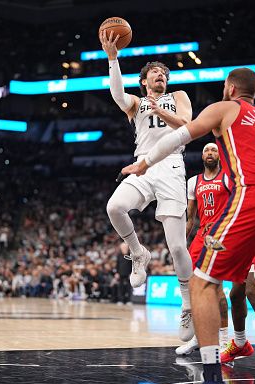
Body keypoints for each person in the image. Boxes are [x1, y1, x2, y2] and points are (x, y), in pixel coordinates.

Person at [122, 67, 255, 384]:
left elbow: (181, 136)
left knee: (202, 282)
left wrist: (145, 162)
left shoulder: (224, 108)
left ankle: (211, 379)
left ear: (231, 87)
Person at [100, 30, 195, 341]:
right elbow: (116, 95)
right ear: (144, 81)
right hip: (142, 165)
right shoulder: (137, 103)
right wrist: (113, 59)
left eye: (163, 74)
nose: (160, 77)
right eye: (155, 74)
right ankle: (138, 253)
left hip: (171, 166)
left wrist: (161, 111)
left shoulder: (177, 97)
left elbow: (187, 126)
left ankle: (187, 304)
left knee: (178, 246)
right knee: (114, 207)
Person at [176, 143, 230, 356]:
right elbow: (190, 218)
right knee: (194, 289)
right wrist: (180, 243)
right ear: (201, 156)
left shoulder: (227, 178)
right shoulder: (193, 182)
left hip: (221, 235)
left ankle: (225, 341)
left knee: (217, 290)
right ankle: (199, 337)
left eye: (214, 150)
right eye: (207, 150)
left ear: (219, 156)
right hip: (200, 236)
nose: (210, 153)